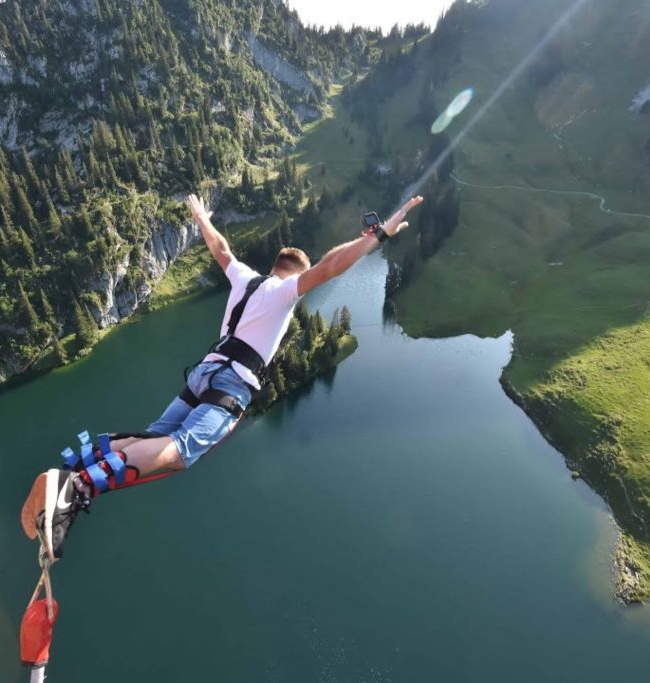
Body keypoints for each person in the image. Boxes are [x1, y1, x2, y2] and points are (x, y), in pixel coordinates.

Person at [22, 192, 424, 563]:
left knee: (155, 436)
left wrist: (201, 218)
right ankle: (79, 487)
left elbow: (220, 248)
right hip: (230, 384)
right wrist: (379, 235)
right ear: (295, 275)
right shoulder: (285, 292)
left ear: (273, 267)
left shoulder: (245, 279)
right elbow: (331, 266)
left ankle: (85, 462)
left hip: (203, 374)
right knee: (178, 451)